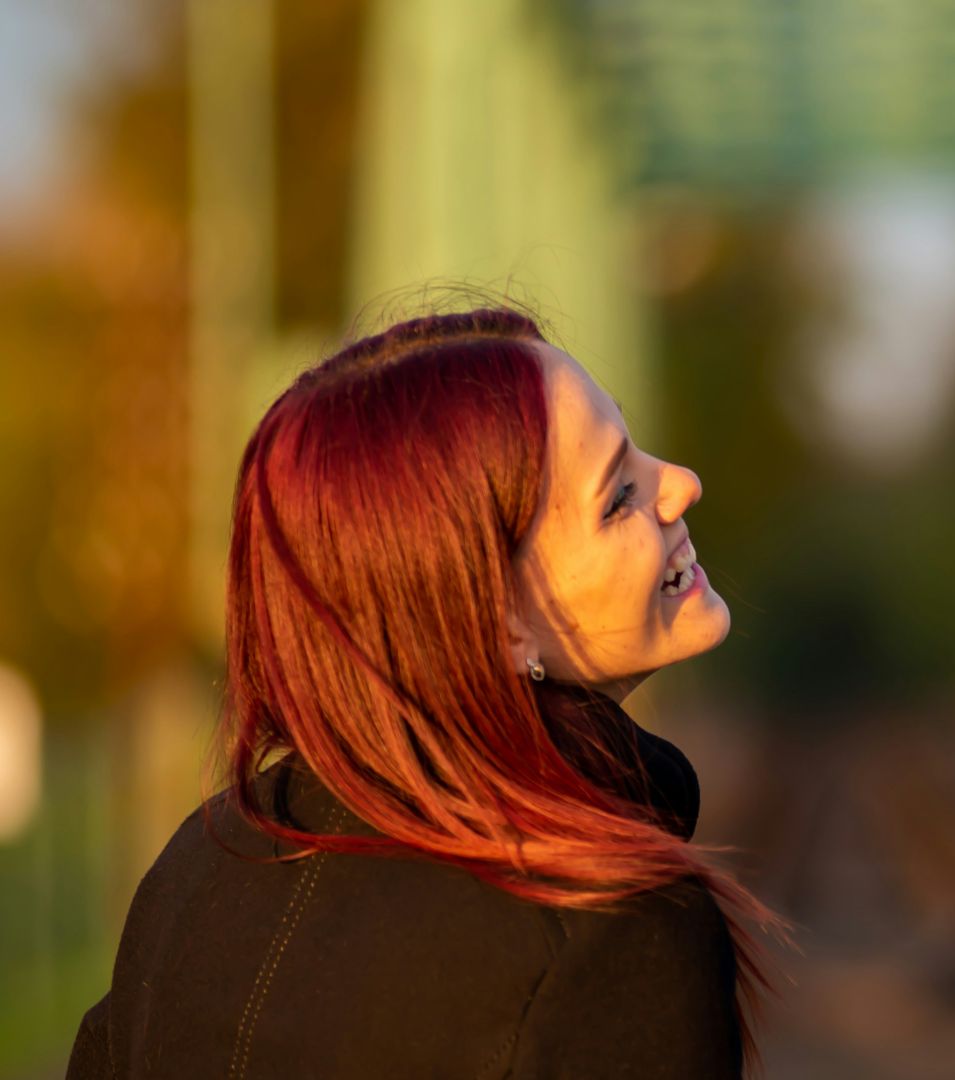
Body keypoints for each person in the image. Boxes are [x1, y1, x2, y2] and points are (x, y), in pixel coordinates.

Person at [67, 308, 771, 1078]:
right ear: (494, 623)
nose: (682, 484)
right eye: (617, 498)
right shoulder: (613, 934)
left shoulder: (194, 874)